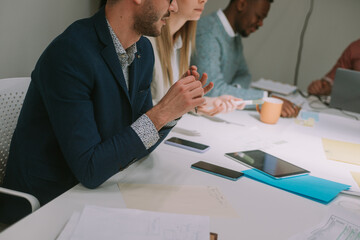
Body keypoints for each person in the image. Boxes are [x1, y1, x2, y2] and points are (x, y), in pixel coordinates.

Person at [1, 0, 213, 223]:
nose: (174, 8)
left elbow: (137, 145)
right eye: (169, 0)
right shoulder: (70, 53)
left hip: (98, 190)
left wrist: (173, 111)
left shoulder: (142, 50)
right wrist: (161, 113)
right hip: (44, 208)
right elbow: (90, 168)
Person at [191, 0, 300, 118]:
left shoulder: (233, 35)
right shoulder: (208, 32)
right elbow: (212, 90)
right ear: (241, 4)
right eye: (258, 17)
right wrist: (265, 99)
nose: (261, 24)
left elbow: (244, 74)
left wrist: (232, 91)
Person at [150, 0, 245, 116]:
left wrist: (212, 102)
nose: (204, 0)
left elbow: (171, 101)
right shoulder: (147, 41)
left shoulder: (184, 42)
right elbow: (144, 109)